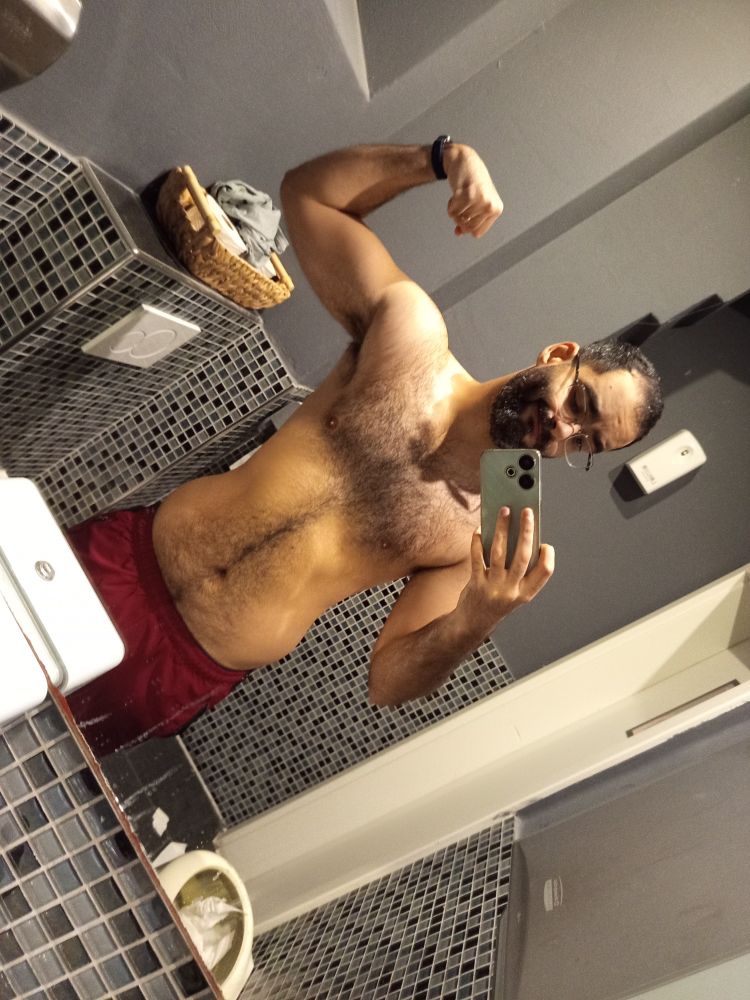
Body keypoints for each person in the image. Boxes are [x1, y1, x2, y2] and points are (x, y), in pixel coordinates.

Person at [66, 138, 663, 754]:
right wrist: (443, 159)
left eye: (588, 443)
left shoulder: (485, 534)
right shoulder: (411, 336)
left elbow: (388, 682)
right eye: (581, 404)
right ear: (560, 355)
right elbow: (307, 197)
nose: (565, 430)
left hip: (185, 670)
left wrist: (476, 618)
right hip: (125, 560)